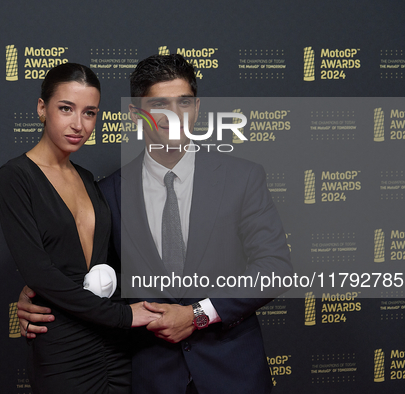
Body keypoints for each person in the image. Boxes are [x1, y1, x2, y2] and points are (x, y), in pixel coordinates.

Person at [16, 55, 292, 393]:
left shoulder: (242, 178)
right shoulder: (106, 194)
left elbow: (275, 268)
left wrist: (197, 315)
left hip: (232, 373)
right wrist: (37, 296)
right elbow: (94, 275)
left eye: (184, 103)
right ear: (135, 114)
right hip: (150, 375)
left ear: (198, 108)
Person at [0, 63, 159, 394]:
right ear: (42, 109)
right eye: (66, 109)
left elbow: (111, 258)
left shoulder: (86, 178)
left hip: (115, 346)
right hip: (62, 346)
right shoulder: (15, 177)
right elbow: (39, 272)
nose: (78, 124)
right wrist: (124, 316)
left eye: (89, 113)